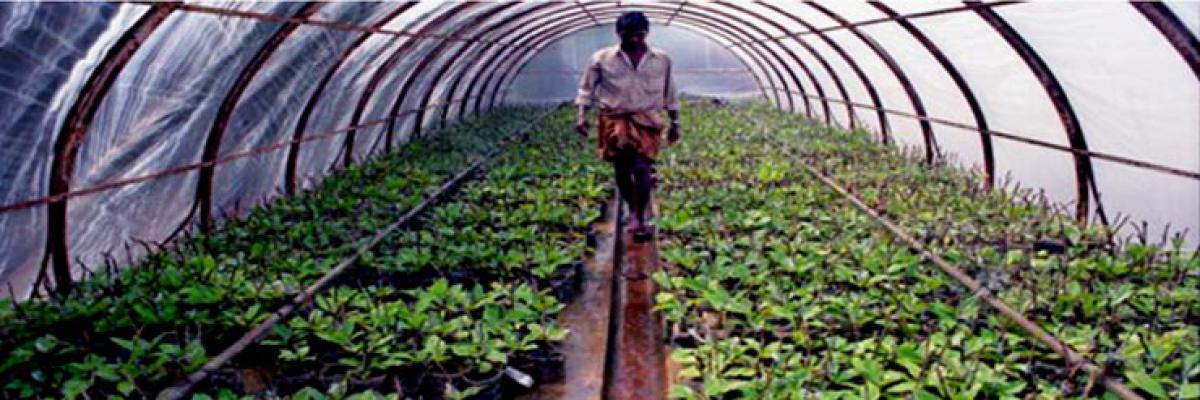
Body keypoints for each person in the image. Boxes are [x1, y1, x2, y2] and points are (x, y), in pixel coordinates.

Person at [575, 11, 680, 243]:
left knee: (642, 167)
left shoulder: (661, 59)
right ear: (619, 33)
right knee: (622, 168)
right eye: (628, 35)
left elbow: (669, 92)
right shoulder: (602, 58)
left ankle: (637, 215)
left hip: (647, 119)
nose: (634, 40)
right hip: (615, 119)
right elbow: (586, 89)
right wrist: (582, 116)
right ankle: (632, 207)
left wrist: (675, 122)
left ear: (647, 33)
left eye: (639, 35)